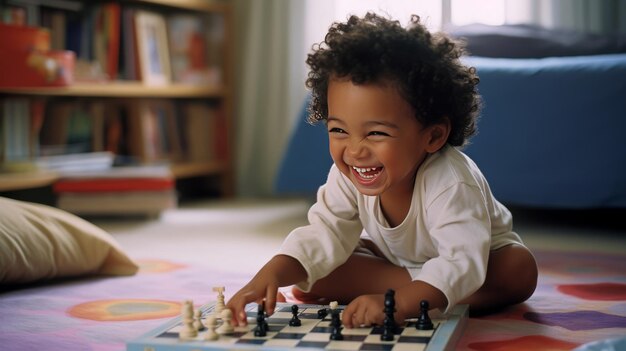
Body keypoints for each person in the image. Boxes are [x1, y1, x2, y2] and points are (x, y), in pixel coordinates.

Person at [226, 12, 538, 328]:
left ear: (432, 136)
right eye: (338, 130)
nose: (355, 150)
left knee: (517, 269)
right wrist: (273, 272)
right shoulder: (349, 173)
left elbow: (462, 262)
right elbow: (324, 233)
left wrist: (398, 305)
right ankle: (420, 285)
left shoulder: (451, 181)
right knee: (316, 272)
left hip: (478, 260)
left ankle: (412, 289)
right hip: (397, 259)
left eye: (376, 133)